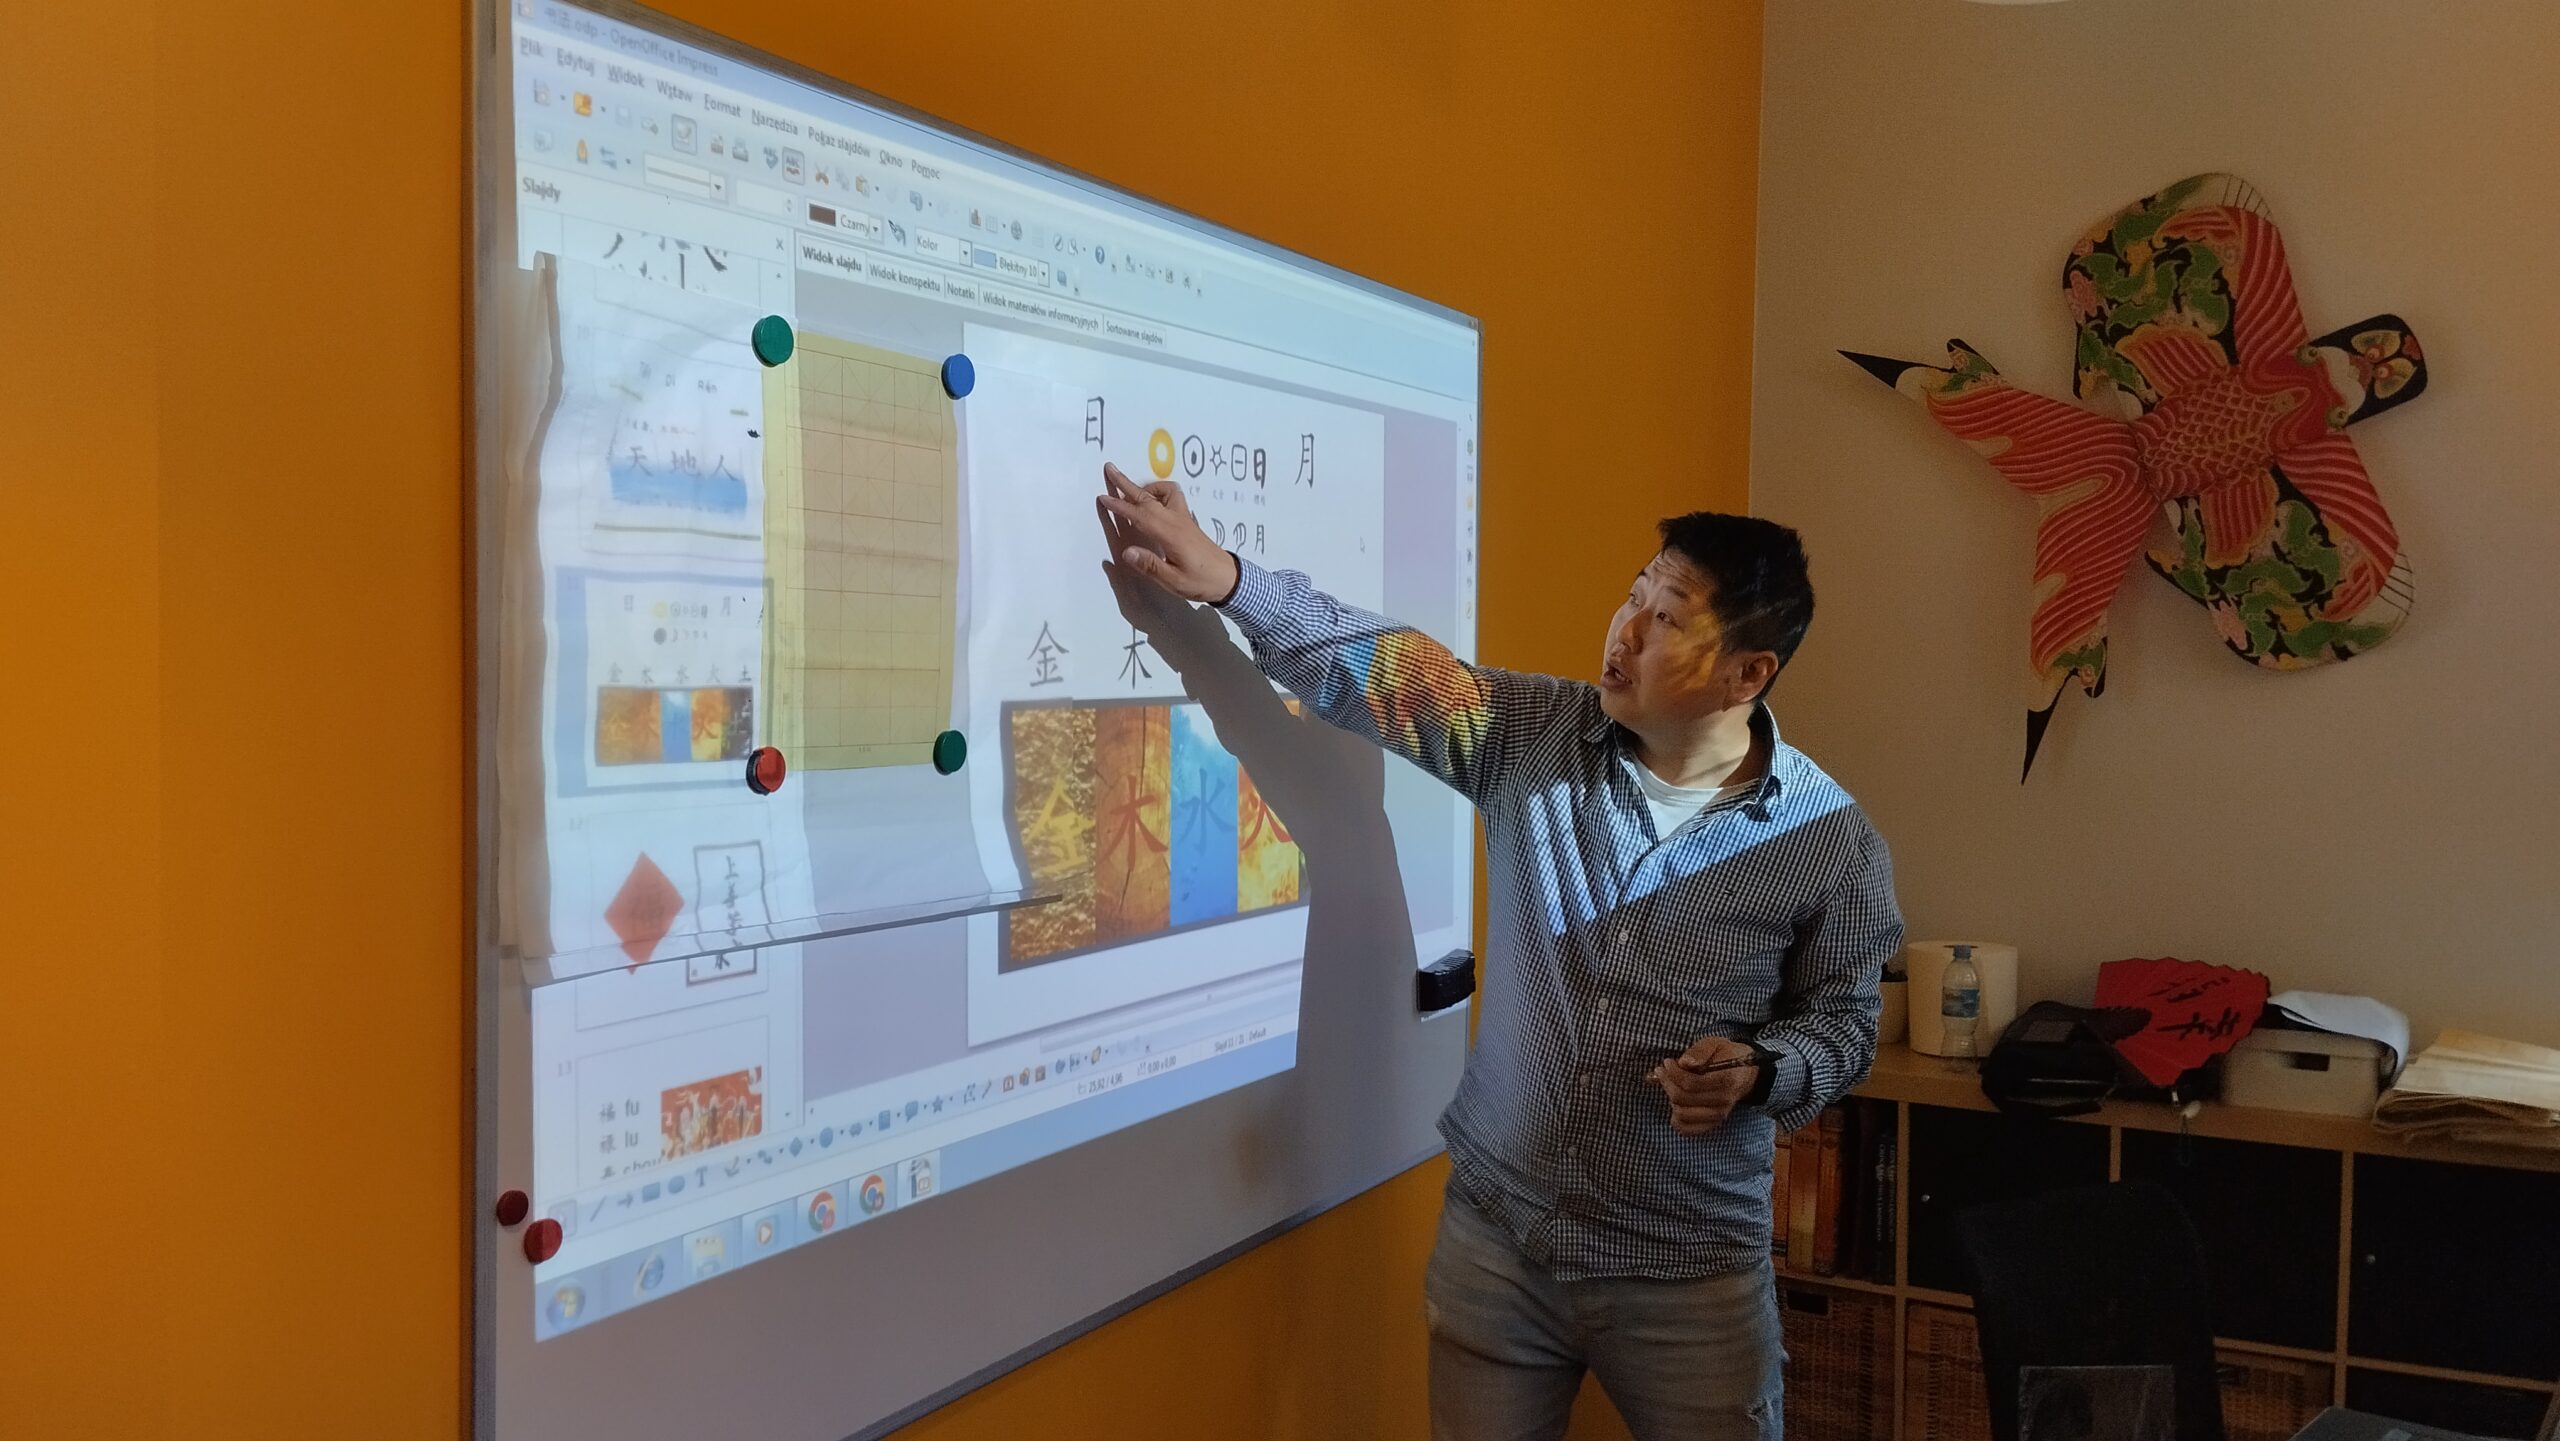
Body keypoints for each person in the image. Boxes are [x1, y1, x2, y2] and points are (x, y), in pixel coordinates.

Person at [1095, 463, 1902, 1440]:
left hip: (1686, 1272)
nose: (1624, 630)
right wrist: (1229, 579)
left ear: (1747, 673)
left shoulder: (1829, 844)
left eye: (1666, 619)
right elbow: (1386, 670)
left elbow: (1844, 1027)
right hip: (1498, 1244)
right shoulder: (1535, 734)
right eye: (1633, 596)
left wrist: (1762, 1069)